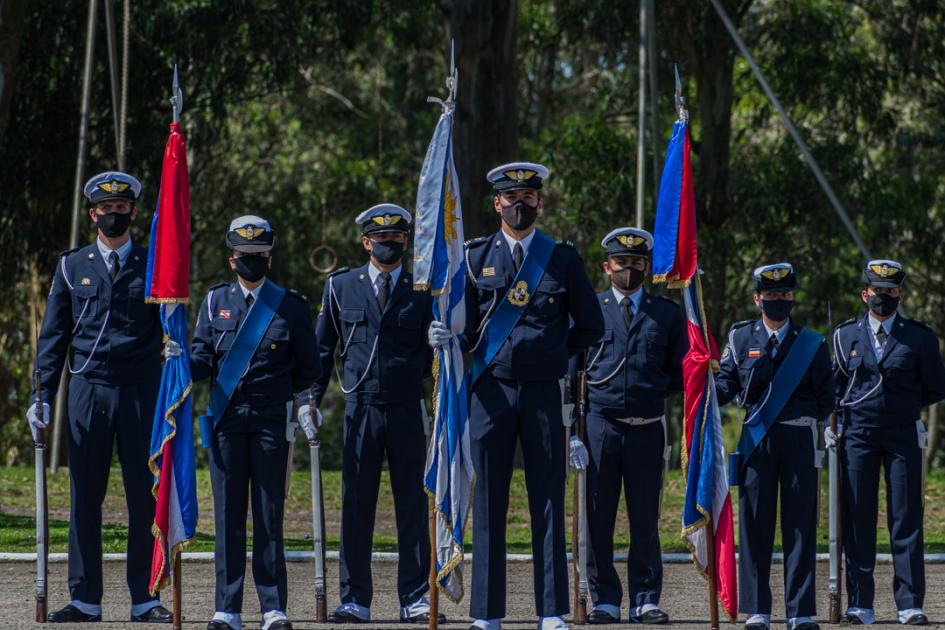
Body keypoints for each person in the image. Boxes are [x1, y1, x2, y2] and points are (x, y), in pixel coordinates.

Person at [429, 162, 604, 630]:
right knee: (488, 501)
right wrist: (445, 337)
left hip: (544, 393)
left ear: (539, 202)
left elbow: (591, 326)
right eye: (512, 198)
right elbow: (463, 329)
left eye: (529, 197)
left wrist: (551, 355)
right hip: (489, 393)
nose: (520, 205)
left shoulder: (562, 259)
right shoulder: (472, 255)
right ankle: (487, 613)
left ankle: (550, 611)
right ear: (497, 203)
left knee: (547, 498)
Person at [28, 171, 171, 623]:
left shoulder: (154, 267)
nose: (114, 215)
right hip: (87, 391)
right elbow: (54, 337)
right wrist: (42, 394)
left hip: (139, 393)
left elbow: (170, 334)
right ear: (93, 214)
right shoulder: (72, 266)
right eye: (106, 209)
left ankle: (145, 597)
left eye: (121, 208)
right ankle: (85, 598)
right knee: (84, 497)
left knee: (142, 498)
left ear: (133, 212)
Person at [185, 215, 321, 630]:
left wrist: (290, 400)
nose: (252, 262)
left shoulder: (290, 305)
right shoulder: (213, 302)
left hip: (268, 421)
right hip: (226, 420)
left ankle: (272, 606)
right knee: (227, 516)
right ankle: (227, 607)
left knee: (268, 514)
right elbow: (202, 362)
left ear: (269, 256)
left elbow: (308, 367)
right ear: (232, 260)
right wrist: (177, 359)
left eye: (259, 255)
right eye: (245, 256)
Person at [313, 204, 441, 624]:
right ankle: (355, 598)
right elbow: (321, 349)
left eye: (397, 239)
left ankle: (415, 596)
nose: (389, 245)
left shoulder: (423, 289)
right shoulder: (340, 287)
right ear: (366, 242)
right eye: (381, 239)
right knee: (356, 504)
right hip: (360, 407)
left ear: (406, 241)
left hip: (406, 406)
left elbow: (428, 354)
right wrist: (307, 401)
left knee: (412, 504)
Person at [574, 227, 686, 625]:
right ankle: (605, 598)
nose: (630, 269)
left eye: (637, 263)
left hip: (646, 427)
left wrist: (649, 394)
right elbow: (575, 373)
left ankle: (644, 598)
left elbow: (678, 374)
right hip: (601, 427)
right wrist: (574, 431)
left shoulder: (667, 315)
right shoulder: (590, 310)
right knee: (598, 517)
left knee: (645, 519)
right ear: (607, 267)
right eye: (622, 263)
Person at [716, 263, 834, 630]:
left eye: (784, 295)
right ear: (757, 298)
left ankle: (799, 611)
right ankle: (757, 609)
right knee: (755, 524)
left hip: (798, 438)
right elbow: (726, 387)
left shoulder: (811, 343)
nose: (778, 301)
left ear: (793, 296)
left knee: (800, 525)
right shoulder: (739, 340)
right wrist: (700, 381)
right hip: (756, 441)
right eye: (771, 295)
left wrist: (794, 413)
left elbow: (825, 398)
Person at [829, 259, 945, 626]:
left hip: (901, 435)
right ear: (865, 294)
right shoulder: (844, 335)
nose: (884, 297)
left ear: (900, 294)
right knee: (858, 518)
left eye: (891, 291)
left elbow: (935, 387)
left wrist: (901, 407)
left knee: (906, 517)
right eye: (878, 291)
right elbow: (833, 387)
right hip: (858, 436)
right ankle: (860, 603)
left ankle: (910, 602)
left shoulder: (920, 338)